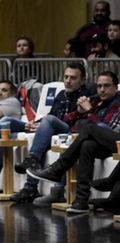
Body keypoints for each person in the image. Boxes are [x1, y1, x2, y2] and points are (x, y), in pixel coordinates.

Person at [0, 62, 90, 203]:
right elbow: (51, 114)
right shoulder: (61, 94)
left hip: (67, 132)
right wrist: (36, 124)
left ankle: (30, 182)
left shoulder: (87, 96)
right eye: (66, 77)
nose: (68, 81)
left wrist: (45, 123)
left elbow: (76, 121)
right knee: (7, 124)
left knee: (47, 122)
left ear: (83, 80)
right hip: (48, 129)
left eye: (73, 78)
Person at [28, 71, 120, 213]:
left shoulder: (117, 103)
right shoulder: (97, 101)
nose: (102, 89)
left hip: (115, 141)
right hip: (103, 142)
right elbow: (67, 121)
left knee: (89, 127)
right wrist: (79, 112)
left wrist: (90, 112)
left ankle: (58, 169)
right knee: (86, 145)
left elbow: (106, 129)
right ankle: (81, 200)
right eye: (99, 86)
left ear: (115, 87)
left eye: (106, 86)